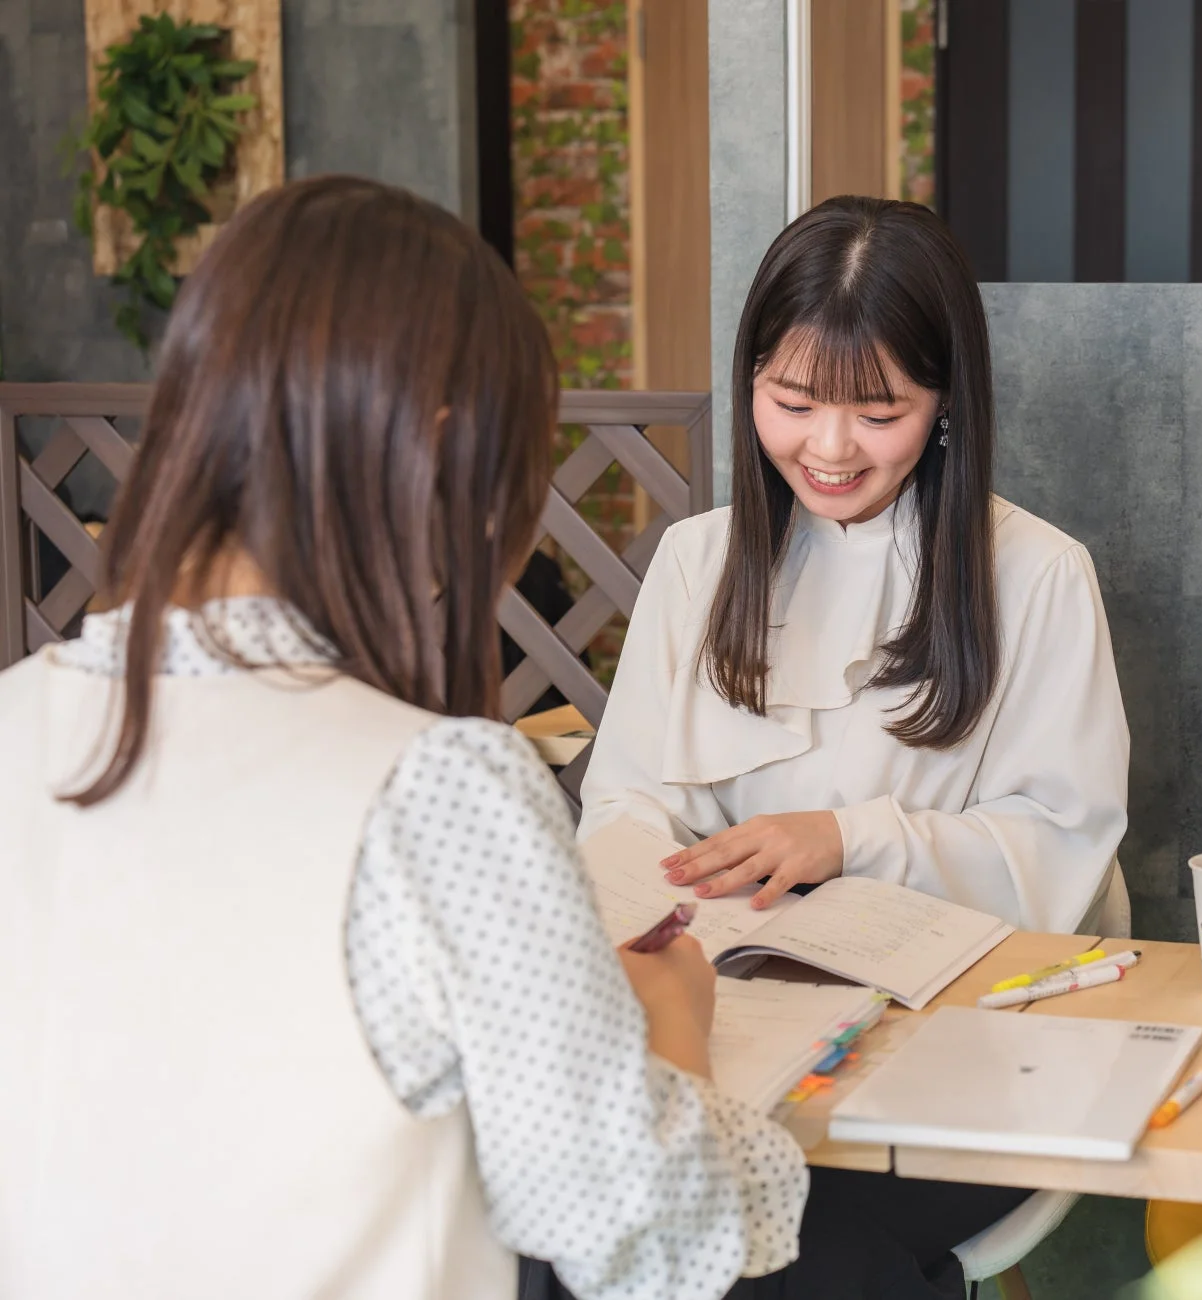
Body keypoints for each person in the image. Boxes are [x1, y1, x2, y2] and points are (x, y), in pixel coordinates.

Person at [0, 175, 808, 1300]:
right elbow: (646, 1237)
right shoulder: (437, 788)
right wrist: (670, 1026)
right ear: (438, 453)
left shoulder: (14, 723)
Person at [576, 196, 1132, 1298]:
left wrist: (848, 840)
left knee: (773, 1240)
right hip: (728, 1036)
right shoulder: (697, 564)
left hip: (964, 1051)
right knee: (606, 1210)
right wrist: (673, 884)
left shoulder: (1037, 574)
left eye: (878, 412)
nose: (827, 449)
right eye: (790, 402)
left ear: (946, 405)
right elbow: (625, 807)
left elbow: (1062, 841)